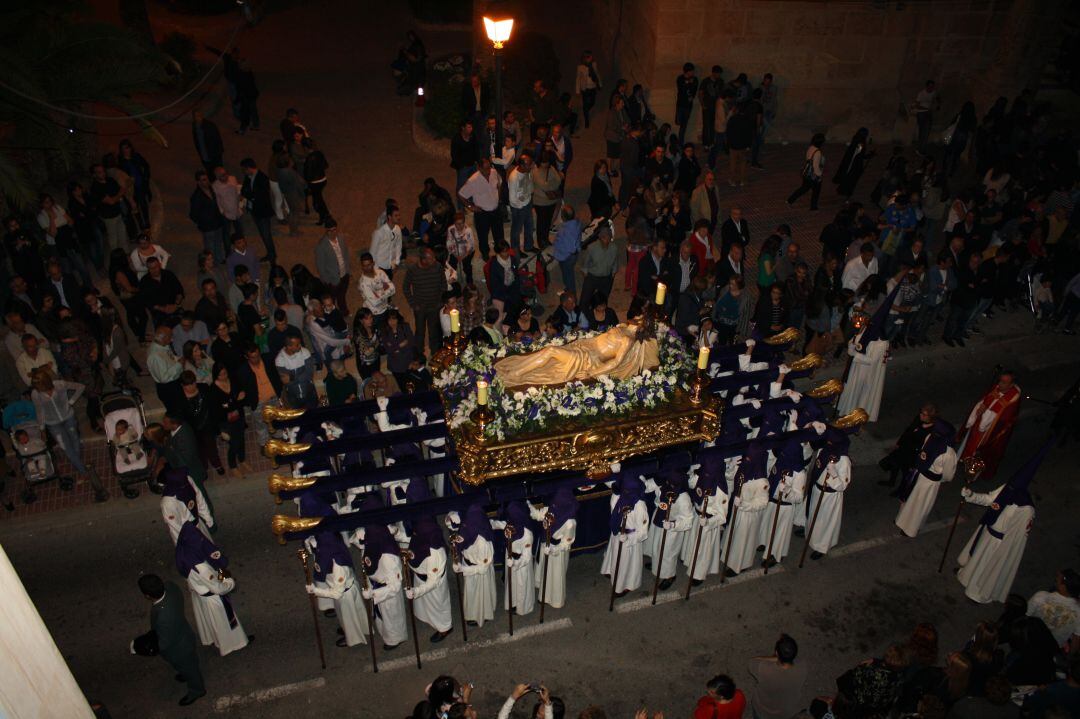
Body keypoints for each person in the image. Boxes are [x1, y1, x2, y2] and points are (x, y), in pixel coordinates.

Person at [957, 442, 1045, 604]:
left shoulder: (1026, 510)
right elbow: (990, 499)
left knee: (986, 568)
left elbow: (1017, 537)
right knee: (976, 558)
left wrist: (1004, 551)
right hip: (987, 531)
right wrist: (971, 495)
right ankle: (965, 577)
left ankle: (977, 594)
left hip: (999, 543)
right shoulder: (1008, 489)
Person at [30, 370, 107, 501]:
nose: (38, 389)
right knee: (66, 448)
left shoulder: (60, 385)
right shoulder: (36, 394)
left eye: (40, 386)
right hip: (53, 423)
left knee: (76, 441)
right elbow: (39, 411)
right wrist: (42, 429)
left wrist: (70, 402)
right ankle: (83, 471)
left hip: (68, 417)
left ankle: (79, 464)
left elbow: (80, 387)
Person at [174, 520, 249, 657]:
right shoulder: (201, 567)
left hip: (200, 594)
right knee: (224, 624)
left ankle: (215, 640)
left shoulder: (183, 553)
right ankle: (234, 644)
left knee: (211, 623)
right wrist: (230, 582)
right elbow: (219, 587)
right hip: (212, 599)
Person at [134, 574, 205, 706]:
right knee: (189, 664)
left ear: (148, 596)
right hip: (184, 634)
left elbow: (164, 643)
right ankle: (187, 672)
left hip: (179, 649)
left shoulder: (163, 617)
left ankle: (197, 690)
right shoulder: (171, 587)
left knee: (190, 669)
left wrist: (143, 647)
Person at [836, 285, 897, 422]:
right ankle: (846, 408)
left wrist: (854, 354)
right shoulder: (867, 331)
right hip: (857, 368)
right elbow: (857, 340)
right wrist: (851, 345)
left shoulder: (881, 343)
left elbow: (872, 360)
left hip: (866, 372)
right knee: (851, 388)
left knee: (860, 394)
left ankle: (854, 414)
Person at [305, 530, 371, 648]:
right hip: (346, 589)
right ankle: (353, 628)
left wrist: (315, 591)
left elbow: (336, 593)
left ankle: (352, 639)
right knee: (350, 614)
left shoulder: (338, 566)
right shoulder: (336, 550)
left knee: (348, 617)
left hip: (344, 594)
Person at [957, 370, 1021, 481]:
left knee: (980, 452)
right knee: (970, 444)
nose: (1000, 384)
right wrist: (980, 408)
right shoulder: (996, 388)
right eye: (1000, 381)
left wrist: (984, 411)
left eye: (1004, 382)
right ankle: (965, 460)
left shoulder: (1012, 399)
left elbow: (1003, 420)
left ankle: (973, 473)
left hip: (989, 432)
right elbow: (985, 399)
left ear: (1011, 385)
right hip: (978, 424)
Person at [895, 431, 958, 537]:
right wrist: (941, 479)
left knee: (909, 497)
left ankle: (900, 520)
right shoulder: (949, 453)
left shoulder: (930, 438)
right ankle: (910, 529)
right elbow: (948, 475)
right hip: (930, 483)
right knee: (920, 505)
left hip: (918, 475)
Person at [445, 504, 498, 628]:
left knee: (480, 595)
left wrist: (463, 569)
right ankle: (472, 614)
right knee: (471, 594)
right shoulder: (468, 528)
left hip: (478, 572)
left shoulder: (483, 541)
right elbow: (460, 538)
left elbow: (483, 568)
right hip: (468, 564)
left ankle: (482, 615)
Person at [720, 446, 770, 577]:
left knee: (742, 540)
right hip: (737, 509)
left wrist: (744, 504)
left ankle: (739, 565)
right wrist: (731, 466)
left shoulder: (761, 481)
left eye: (750, 458)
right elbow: (730, 477)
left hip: (748, 514)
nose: (747, 461)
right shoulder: (743, 468)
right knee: (733, 535)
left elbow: (762, 503)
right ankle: (728, 556)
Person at [759, 441, 809, 568]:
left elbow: (798, 497)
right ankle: (765, 544)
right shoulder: (780, 463)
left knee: (780, 532)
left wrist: (787, 490)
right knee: (768, 526)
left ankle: (776, 554)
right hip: (772, 501)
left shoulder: (799, 474)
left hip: (785, 506)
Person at [804, 431, 852, 560]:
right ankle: (810, 534)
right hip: (817, 489)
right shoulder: (822, 451)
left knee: (825, 521)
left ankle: (821, 546)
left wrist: (834, 474)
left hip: (830, 495)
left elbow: (843, 486)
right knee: (814, 514)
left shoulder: (844, 460)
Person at [404, 517, 453, 642]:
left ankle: (445, 628)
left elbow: (433, 582)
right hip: (420, 578)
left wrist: (416, 592)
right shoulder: (423, 538)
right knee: (426, 605)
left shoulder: (435, 553)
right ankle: (429, 619)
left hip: (431, 584)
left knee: (438, 606)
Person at [601, 473, 649, 598]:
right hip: (617, 531)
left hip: (629, 537)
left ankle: (623, 585)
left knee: (625, 562)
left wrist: (630, 538)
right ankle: (611, 570)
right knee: (614, 555)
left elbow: (643, 532)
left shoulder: (639, 506)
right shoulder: (620, 496)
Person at [491, 501, 536, 617]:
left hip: (521, 564)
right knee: (512, 583)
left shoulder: (527, 534)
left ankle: (522, 608)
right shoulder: (513, 525)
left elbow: (526, 557)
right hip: (510, 558)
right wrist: (490, 523)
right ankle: (513, 603)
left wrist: (515, 562)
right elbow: (502, 524)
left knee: (521, 586)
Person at [746, 634, 808, 719]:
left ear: (776, 653)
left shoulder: (764, 669)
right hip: (785, 713)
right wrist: (783, 657)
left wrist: (776, 658)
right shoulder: (802, 667)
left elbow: (751, 662)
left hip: (763, 711)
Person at [404, 247, 448, 356]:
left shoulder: (438, 267)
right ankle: (419, 355)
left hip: (434, 306)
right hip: (420, 307)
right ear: (423, 260)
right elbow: (405, 287)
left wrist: (440, 302)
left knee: (434, 332)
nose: (434, 259)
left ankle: (435, 355)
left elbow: (444, 285)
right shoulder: (413, 270)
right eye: (431, 258)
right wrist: (413, 304)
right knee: (420, 332)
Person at [208, 363, 248, 478]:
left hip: (238, 416)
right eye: (221, 375)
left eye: (225, 373)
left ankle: (242, 459)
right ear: (216, 375)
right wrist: (220, 431)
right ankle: (233, 466)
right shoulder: (213, 390)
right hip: (225, 422)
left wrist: (239, 399)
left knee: (241, 439)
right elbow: (216, 411)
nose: (224, 376)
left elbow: (240, 397)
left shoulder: (233, 381)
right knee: (234, 443)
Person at [458, 157, 503, 259]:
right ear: (479, 168)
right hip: (482, 213)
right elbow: (461, 194)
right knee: (483, 236)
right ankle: (485, 254)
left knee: (499, 235)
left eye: (489, 167)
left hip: (495, 211)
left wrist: (498, 197)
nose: (488, 171)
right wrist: (470, 206)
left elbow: (500, 183)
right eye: (485, 169)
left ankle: (500, 253)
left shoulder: (494, 172)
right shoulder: (473, 180)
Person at [1027, 569, 1080, 649]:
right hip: (1050, 652)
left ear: (1064, 587)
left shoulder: (1041, 597)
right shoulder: (1078, 611)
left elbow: (1024, 616)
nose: (1055, 580)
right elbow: (1076, 640)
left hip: (1028, 642)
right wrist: (1070, 657)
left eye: (1057, 579)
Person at [239, 158, 276, 263]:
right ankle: (270, 253)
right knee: (263, 233)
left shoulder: (262, 179)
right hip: (254, 210)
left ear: (249, 168)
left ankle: (272, 255)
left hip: (263, 211)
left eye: (244, 170)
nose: (243, 172)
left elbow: (258, 196)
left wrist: (248, 194)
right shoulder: (248, 176)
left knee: (266, 234)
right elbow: (245, 189)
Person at [786, 133, 826, 211]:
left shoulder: (810, 147)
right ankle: (813, 207)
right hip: (813, 176)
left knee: (803, 188)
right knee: (816, 191)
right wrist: (820, 175)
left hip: (806, 173)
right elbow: (815, 167)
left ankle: (790, 200)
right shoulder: (817, 152)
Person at [833, 128, 874, 198]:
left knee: (847, 176)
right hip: (854, 164)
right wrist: (870, 155)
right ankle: (845, 191)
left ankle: (843, 189)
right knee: (850, 178)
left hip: (849, 161)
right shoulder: (860, 142)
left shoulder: (855, 139)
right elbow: (860, 155)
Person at [357, 252, 396, 325]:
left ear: (373, 263)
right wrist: (385, 289)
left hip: (385, 307)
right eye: (364, 266)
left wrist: (378, 294)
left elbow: (393, 289)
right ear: (361, 266)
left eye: (369, 265)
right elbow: (375, 302)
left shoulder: (380, 273)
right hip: (374, 314)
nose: (366, 268)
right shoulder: (363, 283)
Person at [553, 205, 582, 295]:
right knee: (567, 274)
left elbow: (571, 248)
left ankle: (571, 295)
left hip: (566, 257)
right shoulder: (576, 223)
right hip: (569, 256)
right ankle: (568, 290)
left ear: (563, 217)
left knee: (568, 276)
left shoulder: (566, 230)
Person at [674, 62, 698, 146]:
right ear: (687, 71)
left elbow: (694, 90)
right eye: (692, 71)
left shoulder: (695, 79)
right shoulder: (680, 78)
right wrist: (688, 83)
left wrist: (692, 96)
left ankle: (680, 143)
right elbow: (681, 90)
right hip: (680, 105)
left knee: (684, 125)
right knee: (678, 122)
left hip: (688, 106)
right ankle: (677, 141)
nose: (693, 73)